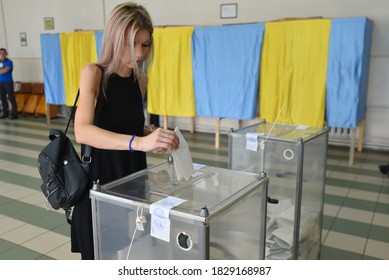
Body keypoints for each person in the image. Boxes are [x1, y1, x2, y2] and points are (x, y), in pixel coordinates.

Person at [72, 2, 179, 260]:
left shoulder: (140, 80)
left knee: (133, 253)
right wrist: (140, 142)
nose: (140, 54)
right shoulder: (93, 74)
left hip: (132, 180)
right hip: (101, 182)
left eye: (145, 44)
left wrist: (151, 135)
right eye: (131, 44)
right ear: (114, 39)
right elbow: (82, 131)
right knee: (101, 256)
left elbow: (123, 125)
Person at [0, 48, 18, 119]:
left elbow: (6, 70)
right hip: (0, 83)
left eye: (3, 53)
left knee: (11, 98)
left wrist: (2, 70)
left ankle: (14, 114)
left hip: (8, 82)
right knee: (2, 98)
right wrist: (2, 70)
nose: (2, 54)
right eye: (0, 53)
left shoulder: (9, 62)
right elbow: (2, 70)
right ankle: (5, 113)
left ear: (6, 54)